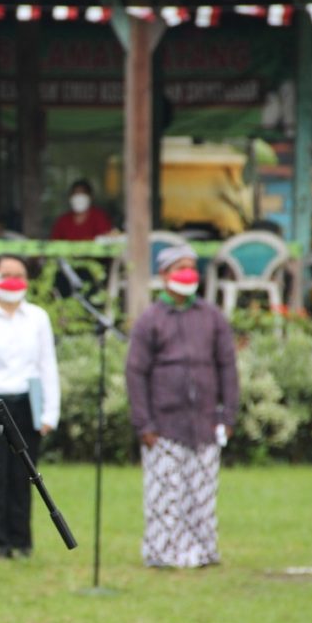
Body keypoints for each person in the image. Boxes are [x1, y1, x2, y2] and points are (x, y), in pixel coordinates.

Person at [124, 244, 239, 569]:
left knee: (201, 497)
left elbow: (227, 366)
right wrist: (144, 423)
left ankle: (203, 553)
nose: (187, 273)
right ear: (163, 276)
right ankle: (162, 554)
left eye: (191, 267)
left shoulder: (212, 317)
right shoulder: (151, 319)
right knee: (164, 498)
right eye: (179, 268)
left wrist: (228, 413)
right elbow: (136, 372)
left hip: (204, 422)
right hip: (163, 426)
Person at [0, 255, 60, 559]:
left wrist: (49, 413)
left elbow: (47, 366)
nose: (13, 280)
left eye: (19, 274)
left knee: (25, 475)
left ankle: (22, 540)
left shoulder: (38, 317)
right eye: (6, 274)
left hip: (27, 403)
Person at [49, 179, 114, 241]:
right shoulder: (63, 221)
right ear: (70, 197)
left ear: (90, 196)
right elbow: (54, 244)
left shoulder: (99, 217)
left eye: (82, 193)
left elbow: (107, 239)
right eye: (76, 193)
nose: (79, 197)